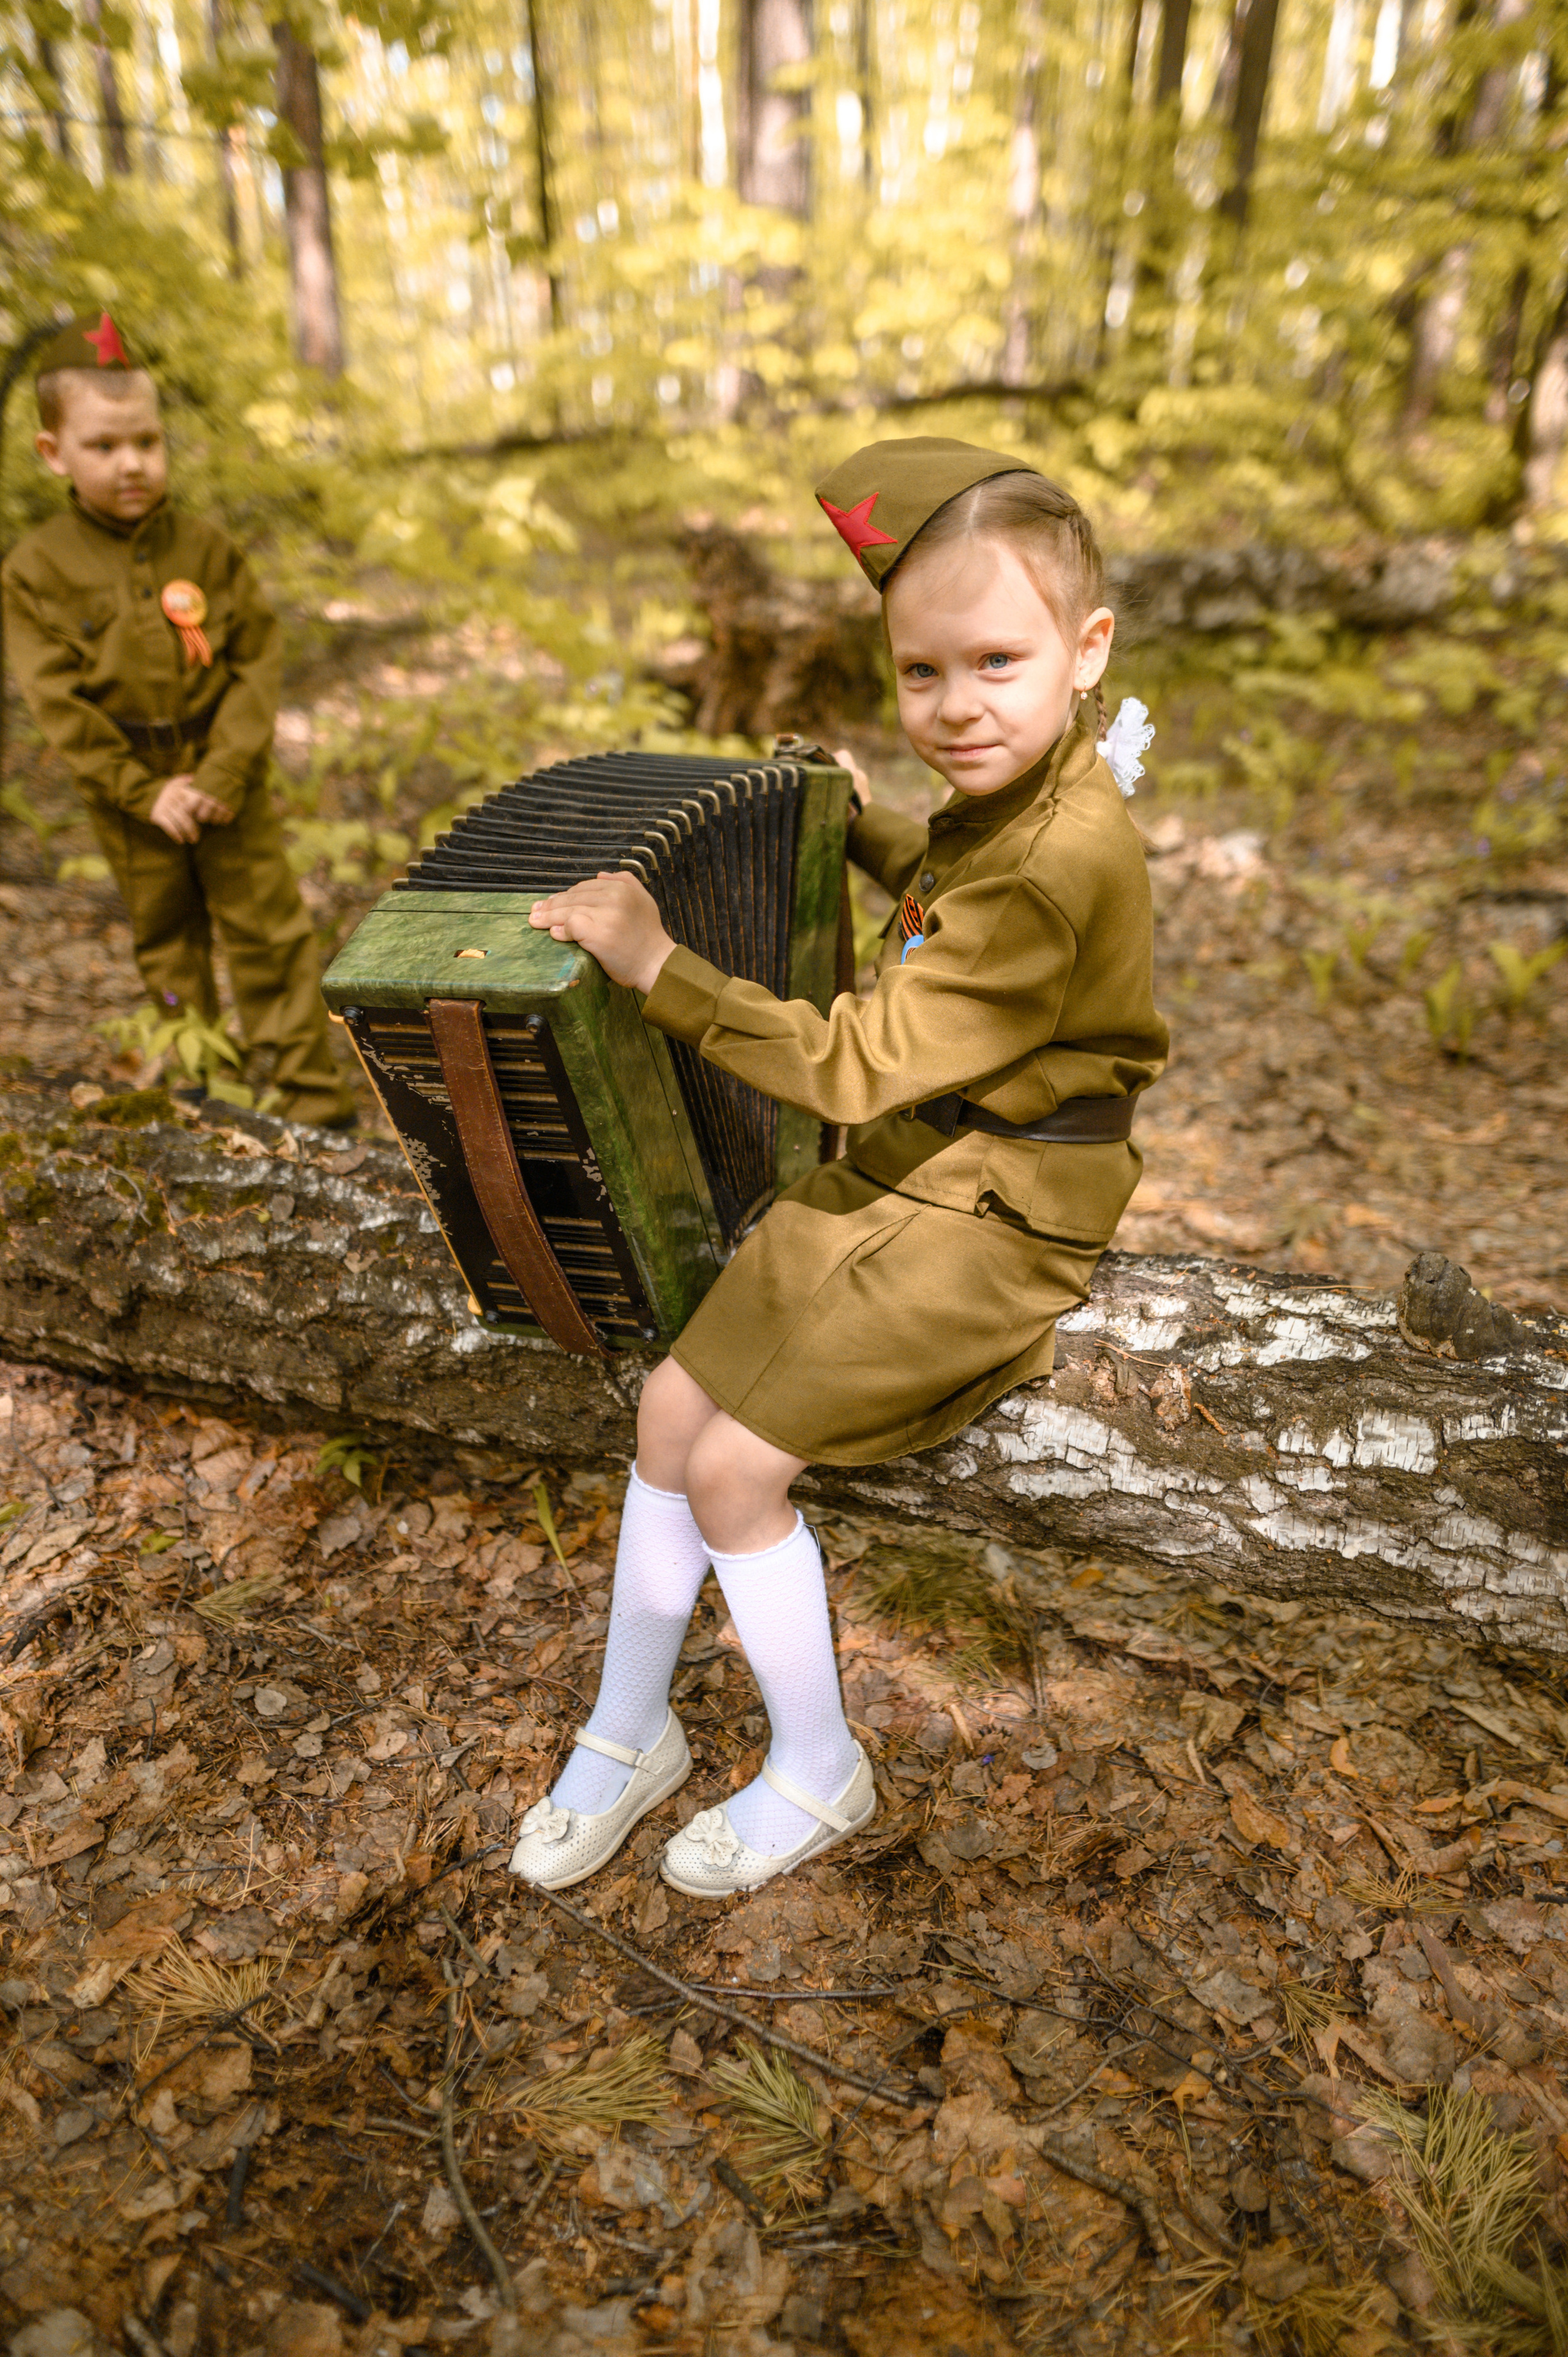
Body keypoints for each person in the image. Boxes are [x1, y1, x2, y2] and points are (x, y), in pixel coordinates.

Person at [508, 435, 1168, 1900]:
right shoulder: (1018, 794)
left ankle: (818, 1763)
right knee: (672, 1406)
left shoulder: (1061, 855)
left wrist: (659, 966)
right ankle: (631, 1728)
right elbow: (946, 900)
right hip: (913, 1164)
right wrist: (861, 823)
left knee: (737, 1467)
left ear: (1086, 648)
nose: (953, 705)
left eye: (994, 660)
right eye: (919, 672)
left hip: (999, 1206)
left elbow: (860, 1056)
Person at [1, 313, 354, 1129]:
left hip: (228, 782)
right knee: (168, 947)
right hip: (133, 798)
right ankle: (206, 1102)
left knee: (271, 939)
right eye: (104, 446)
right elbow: (57, 702)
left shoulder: (208, 549)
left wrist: (225, 773)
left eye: (148, 442)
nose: (133, 463)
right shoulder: (36, 570)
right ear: (53, 454)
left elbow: (256, 664)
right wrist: (142, 792)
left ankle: (313, 1109)